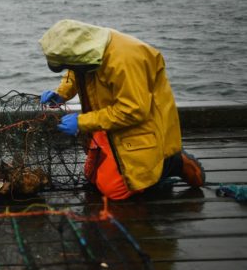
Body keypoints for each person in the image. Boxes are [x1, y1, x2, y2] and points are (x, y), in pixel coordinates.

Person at [38, 19, 204, 200]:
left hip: (140, 127)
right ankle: (146, 166)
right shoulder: (86, 47)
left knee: (114, 191)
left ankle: (172, 161)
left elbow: (133, 111)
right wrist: (61, 94)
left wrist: (81, 122)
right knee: (92, 178)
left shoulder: (126, 60)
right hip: (110, 122)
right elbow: (74, 71)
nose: (68, 68)